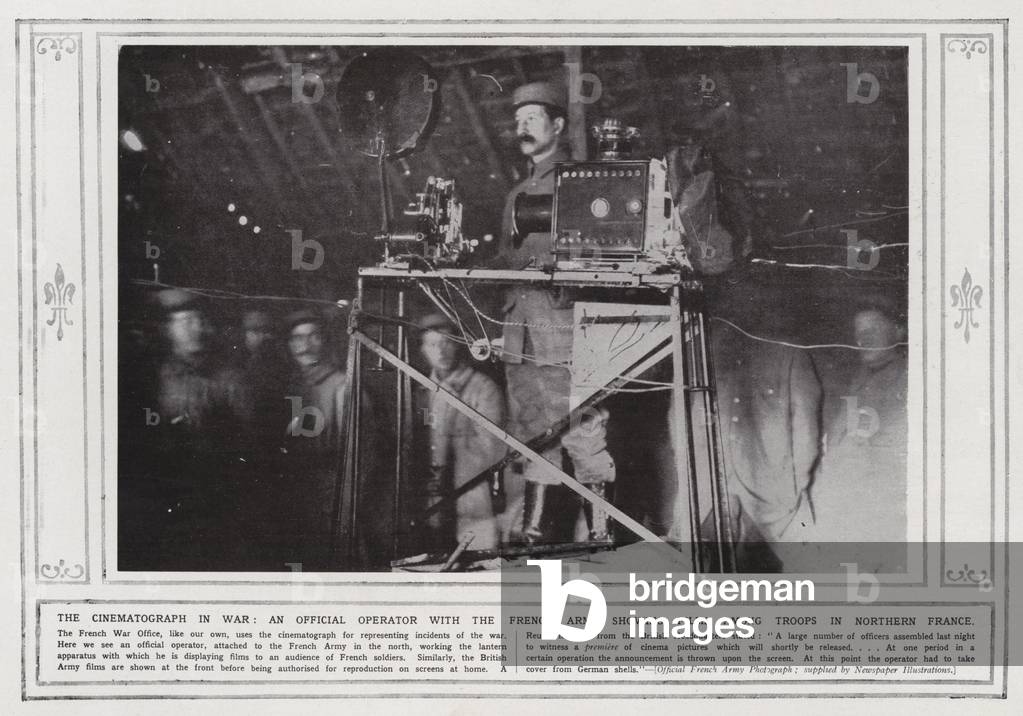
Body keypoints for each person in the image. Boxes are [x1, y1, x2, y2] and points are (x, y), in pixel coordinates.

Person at [492, 81, 616, 544]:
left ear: (559, 124)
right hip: (520, 335)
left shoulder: (579, 183)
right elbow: (508, 262)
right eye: (518, 120)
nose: (522, 128)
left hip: (562, 331)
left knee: (582, 429)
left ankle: (600, 533)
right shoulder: (516, 194)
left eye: (533, 118)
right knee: (533, 433)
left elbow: (598, 254)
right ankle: (535, 533)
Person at [121, 288, 254, 570]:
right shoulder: (153, 376)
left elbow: (248, 438)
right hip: (166, 491)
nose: (195, 328)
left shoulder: (228, 377)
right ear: (167, 329)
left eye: (198, 321)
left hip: (215, 492)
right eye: (185, 322)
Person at [811, 299, 908, 551]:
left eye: (873, 329)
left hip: (881, 521)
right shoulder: (857, 379)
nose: (864, 338)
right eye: (859, 332)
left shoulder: (909, 379)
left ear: (899, 331)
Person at [417, 314, 507, 551]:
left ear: (458, 345)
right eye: (432, 344)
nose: (441, 351)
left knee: (478, 560)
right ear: (423, 350)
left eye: (447, 342)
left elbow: (493, 450)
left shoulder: (483, 388)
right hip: (432, 501)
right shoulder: (421, 391)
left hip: (473, 499)